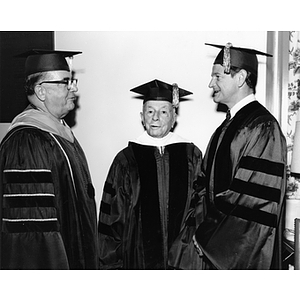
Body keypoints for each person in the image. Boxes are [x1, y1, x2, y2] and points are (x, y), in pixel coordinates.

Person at [0, 49, 98, 269]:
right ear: (41, 91)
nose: (74, 88)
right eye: (66, 82)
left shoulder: (60, 134)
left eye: (73, 80)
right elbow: (33, 235)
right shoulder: (26, 143)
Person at [193, 42, 287, 270]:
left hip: (242, 256)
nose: (210, 83)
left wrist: (207, 234)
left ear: (241, 77)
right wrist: (197, 228)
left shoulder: (263, 127)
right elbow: (203, 184)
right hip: (214, 249)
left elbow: (253, 202)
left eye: (217, 76)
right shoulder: (226, 127)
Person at [98, 79, 205, 269]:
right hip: (137, 262)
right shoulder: (125, 160)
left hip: (184, 261)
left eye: (163, 112)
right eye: (150, 111)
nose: (155, 118)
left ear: (173, 118)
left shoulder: (192, 156)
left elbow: (201, 211)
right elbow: (112, 221)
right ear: (142, 117)